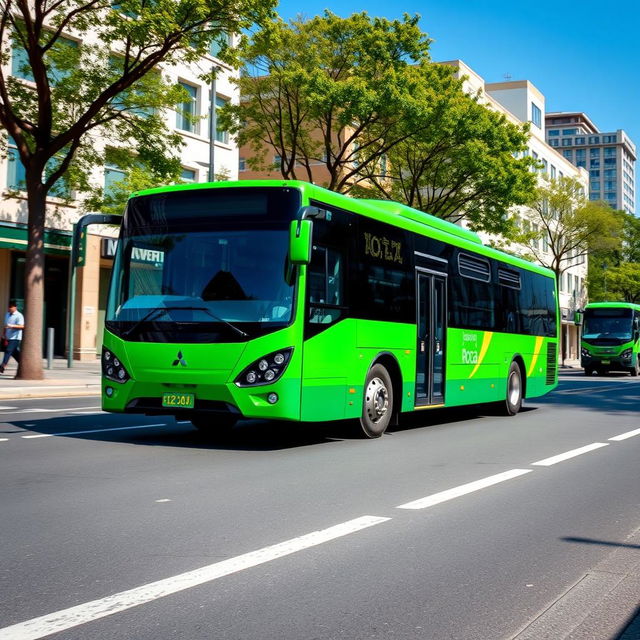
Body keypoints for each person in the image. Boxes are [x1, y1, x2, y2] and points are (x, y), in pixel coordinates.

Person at [1, 300, 24, 373]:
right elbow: (5, 325)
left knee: (8, 350)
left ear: (15, 307)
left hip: (15, 337)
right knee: (14, 353)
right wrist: (3, 334)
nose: (10, 308)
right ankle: (23, 364)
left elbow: (22, 326)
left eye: (11, 307)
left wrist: (12, 326)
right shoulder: (7, 314)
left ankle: (2, 366)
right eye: (9, 307)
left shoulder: (19, 315)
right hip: (8, 337)